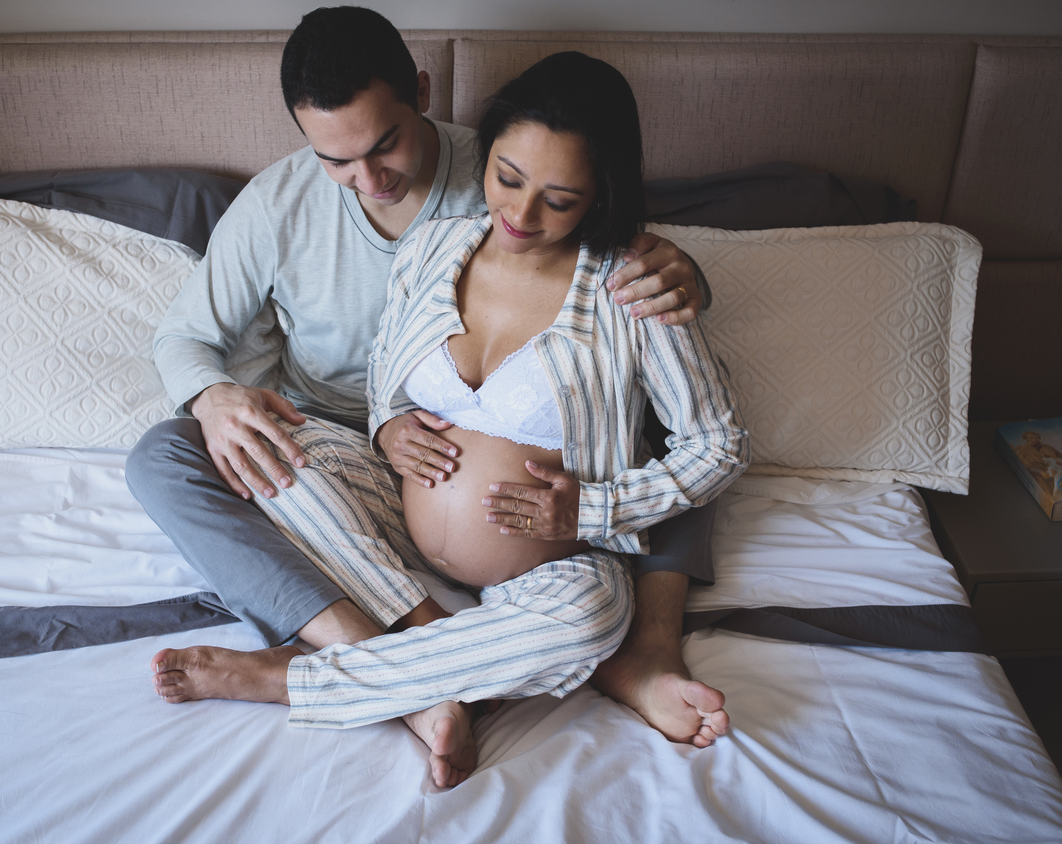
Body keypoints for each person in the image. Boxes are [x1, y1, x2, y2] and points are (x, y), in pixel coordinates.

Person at [127, 5, 719, 775]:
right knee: (172, 454)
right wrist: (216, 398)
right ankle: (404, 663)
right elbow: (182, 339)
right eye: (334, 160)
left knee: (663, 452)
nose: (367, 180)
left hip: (547, 475)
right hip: (345, 445)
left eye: (385, 145)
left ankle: (642, 651)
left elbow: (619, 265)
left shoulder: (508, 175)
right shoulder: (279, 203)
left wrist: (686, 274)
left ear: (423, 92)